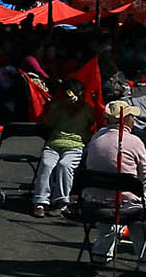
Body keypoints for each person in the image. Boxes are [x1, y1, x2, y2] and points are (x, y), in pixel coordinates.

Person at [82, 100, 146, 261]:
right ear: (127, 120)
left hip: (94, 200)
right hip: (124, 204)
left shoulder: (96, 138)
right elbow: (145, 177)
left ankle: (101, 253)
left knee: (114, 209)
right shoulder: (135, 141)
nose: (134, 120)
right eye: (132, 117)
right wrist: (140, 195)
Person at [30, 77, 98, 217]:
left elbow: (93, 123)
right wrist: (60, 108)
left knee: (65, 165)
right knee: (47, 164)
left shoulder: (87, 108)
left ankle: (61, 202)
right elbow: (48, 123)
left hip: (76, 145)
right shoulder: (57, 106)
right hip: (54, 144)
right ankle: (40, 202)